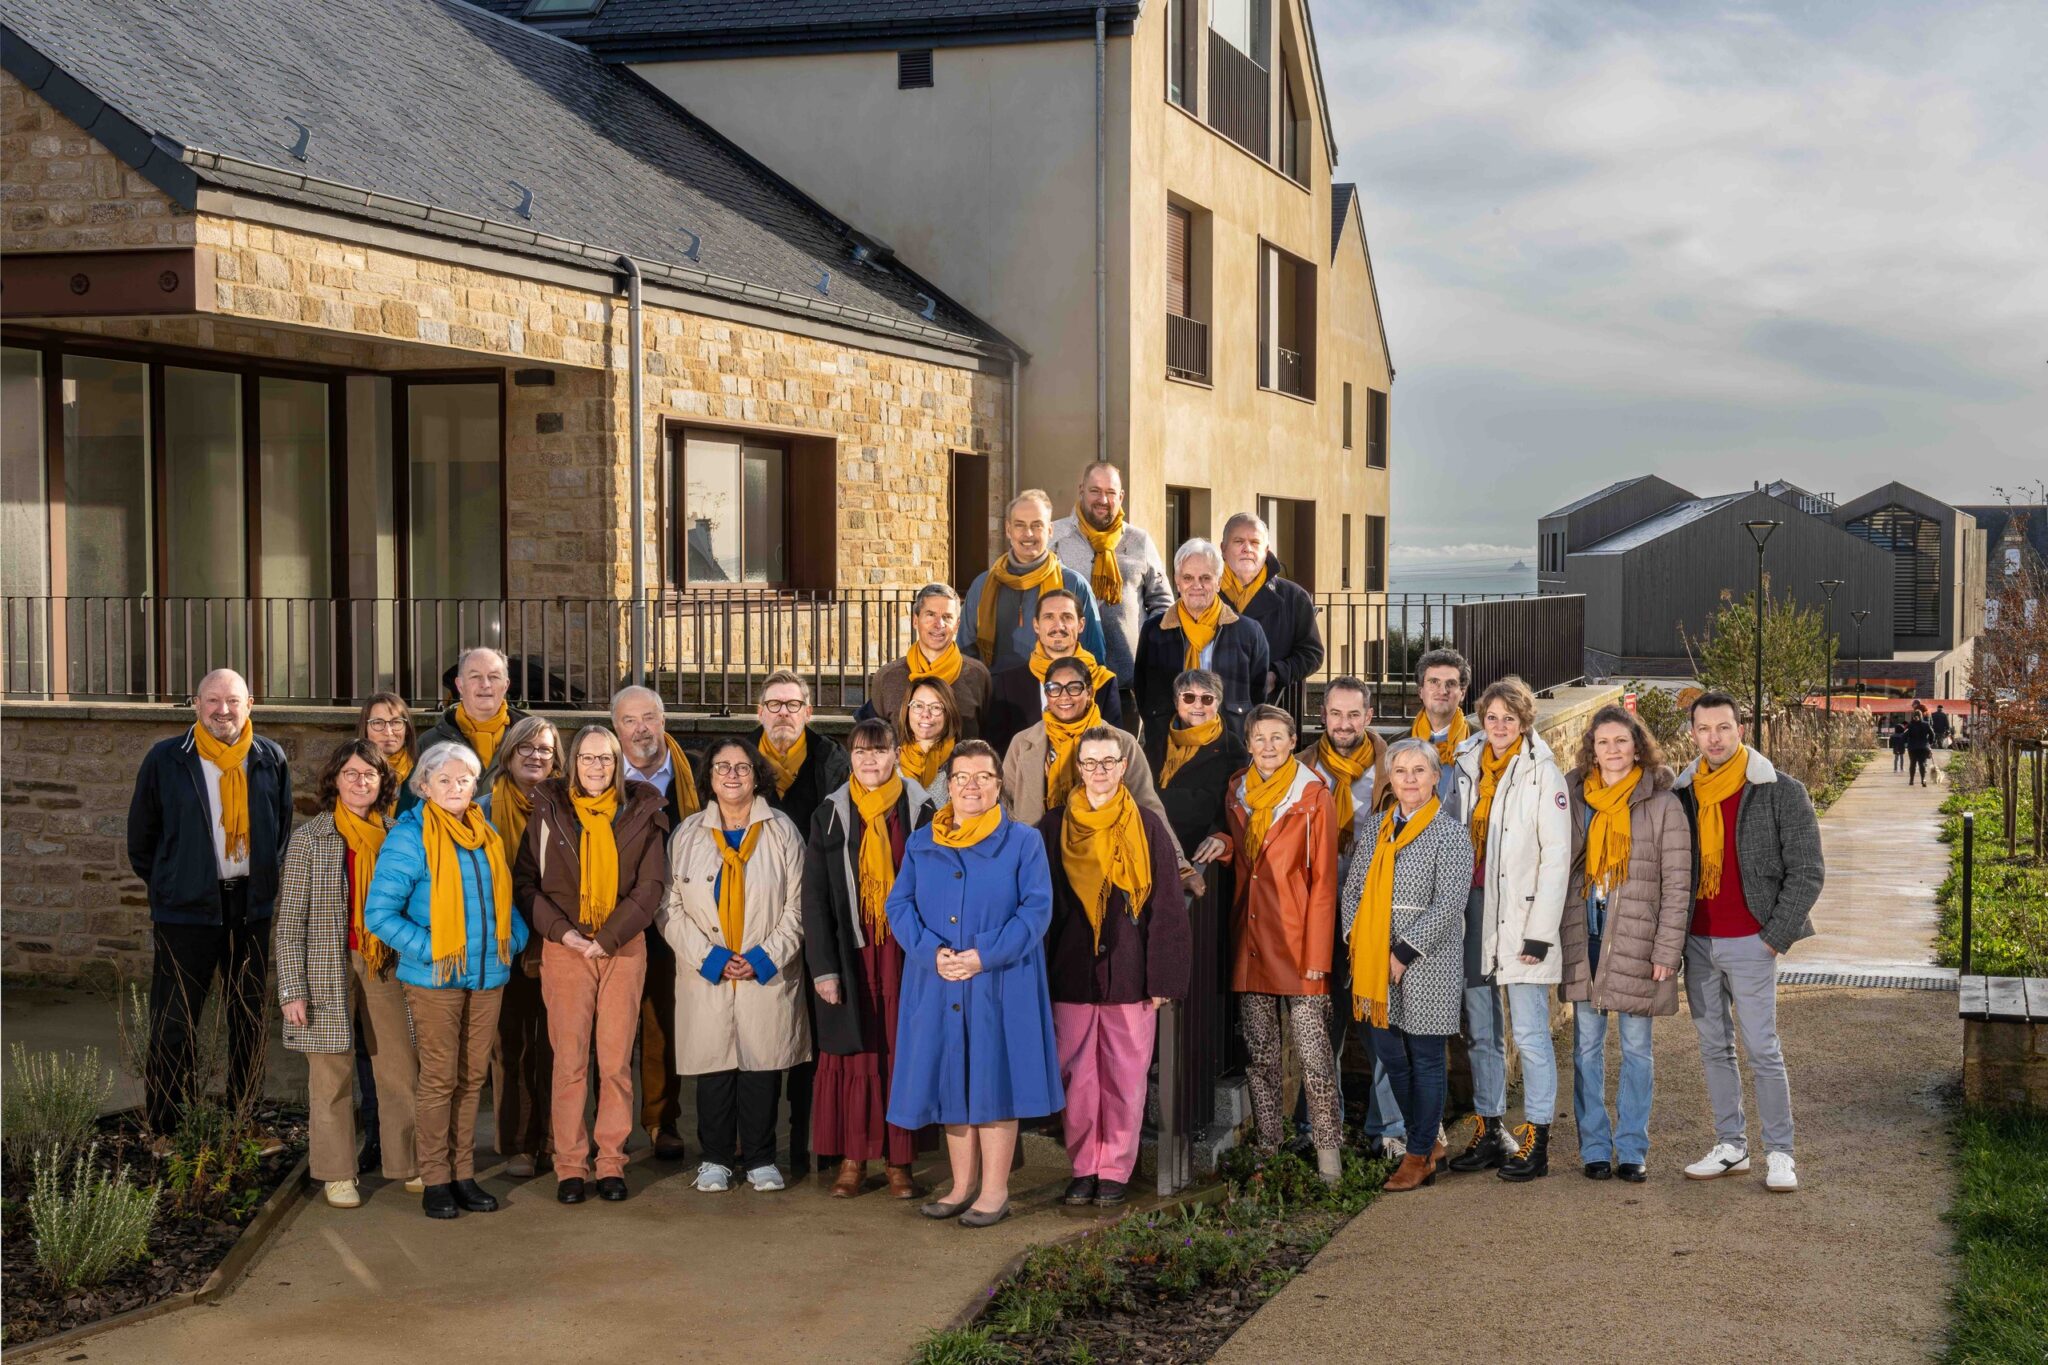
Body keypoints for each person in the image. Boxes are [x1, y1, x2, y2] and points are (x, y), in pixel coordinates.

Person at [885, 741, 1063, 1228]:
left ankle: (995, 1191)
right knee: (952, 1080)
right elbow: (899, 907)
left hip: (1000, 982)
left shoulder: (1023, 841)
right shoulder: (923, 842)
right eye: (961, 776)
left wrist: (984, 955)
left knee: (994, 1080)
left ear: (998, 785)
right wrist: (931, 953)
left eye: (983, 777)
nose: (971, 785)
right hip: (938, 980)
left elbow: (1036, 909)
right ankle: (961, 1186)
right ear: (948, 784)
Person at [126, 668, 293, 1146]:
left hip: (249, 908)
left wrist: (261, 885)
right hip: (185, 911)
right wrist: (173, 885)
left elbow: (278, 832)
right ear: (196, 704)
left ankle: (245, 1120)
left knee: (248, 1020)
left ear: (250, 703)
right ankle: (167, 1127)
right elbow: (142, 841)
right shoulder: (166, 759)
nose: (224, 710)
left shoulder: (269, 758)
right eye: (213, 700)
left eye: (233, 701)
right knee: (174, 1021)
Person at [363, 741, 529, 1220]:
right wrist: (435, 949)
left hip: (487, 976)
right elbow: (379, 914)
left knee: (472, 1079)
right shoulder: (409, 837)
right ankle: (435, 1177)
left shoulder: (487, 833)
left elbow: (505, 900)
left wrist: (513, 938)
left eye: (464, 780)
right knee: (439, 1080)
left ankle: (464, 1174)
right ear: (424, 786)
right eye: (445, 780)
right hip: (436, 980)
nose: (456, 788)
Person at [513, 725, 671, 1205]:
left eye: (606, 759)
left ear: (618, 763)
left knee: (616, 1061)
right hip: (565, 948)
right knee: (570, 1061)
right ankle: (570, 1166)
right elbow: (525, 883)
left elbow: (652, 887)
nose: (597, 767)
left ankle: (610, 1162)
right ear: (573, 763)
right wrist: (562, 933)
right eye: (587, 758)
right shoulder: (548, 809)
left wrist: (607, 938)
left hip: (621, 947)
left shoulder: (644, 811)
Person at [1673, 691, 1823, 1193]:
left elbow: (1807, 873)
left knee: (1762, 1049)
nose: (1713, 738)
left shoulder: (1780, 790)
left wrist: (1773, 939)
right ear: (1692, 733)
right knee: (1715, 1048)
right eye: (1703, 729)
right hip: (1698, 944)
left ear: (1741, 729)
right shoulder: (1682, 793)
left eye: (1723, 727)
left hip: (1752, 943)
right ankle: (1730, 1146)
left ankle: (1780, 1153)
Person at [1039, 727, 1190, 1207]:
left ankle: (1115, 1169)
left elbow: (1167, 905)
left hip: (1129, 972)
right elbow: (1038, 906)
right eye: (1090, 762)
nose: (1099, 771)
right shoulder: (1052, 826)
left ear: (1124, 767)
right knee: (1077, 1078)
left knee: (1125, 1076)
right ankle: (1084, 1167)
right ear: (1077, 768)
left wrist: (1164, 977)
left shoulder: (1147, 826)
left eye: (1108, 762)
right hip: (1071, 971)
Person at [274, 740, 420, 1208]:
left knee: (399, 1068)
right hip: (325, 968)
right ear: (335, 780)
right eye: (351, 774)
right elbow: (290, 920)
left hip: (385, 963)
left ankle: (410, 1163)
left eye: (370, 775)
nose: (361, 782)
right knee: (331, 1073)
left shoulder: (399, 834)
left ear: (383, 783)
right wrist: (291, 989)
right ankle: (338, 1172)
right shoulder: (309, 838)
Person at [661, 738, 810, 1194]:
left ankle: (763, 1157)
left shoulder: (783, 831)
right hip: (708, 969)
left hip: (764, 967)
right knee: (714, 1069)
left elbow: (799, 904)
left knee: (762, 1066)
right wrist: (712, 959)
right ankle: (715, 1159)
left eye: (742, 767)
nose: (731, 775)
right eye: (721, 767)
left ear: (756, 775)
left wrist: (765, 956)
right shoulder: (686, 834)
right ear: (708, 777)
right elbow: (668, 907)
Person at [801, 718, 939, 1199]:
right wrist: (823, 968)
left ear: (895, 755)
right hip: (852, 950)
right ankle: (852, 1159)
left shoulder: (923, 811)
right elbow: (814, 898)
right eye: (860, 752)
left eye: (878, 751)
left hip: (905, 953)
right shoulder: (830, 815)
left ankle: (900, 1161)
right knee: (856, 1052)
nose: (869, 760)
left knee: (901, 1050)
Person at [1560, 706, 1691, 1183]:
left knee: (1637, 1050)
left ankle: (1632, 1147)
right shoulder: (1577, 798)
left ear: (1637, 745)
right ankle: (1594, 1146)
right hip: (1586, 934)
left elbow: (1678, 884)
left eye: (1621, 741)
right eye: (1603, 742)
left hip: (1637, 940)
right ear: (1591, 749)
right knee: (1585, 1049)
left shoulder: (1662, 803)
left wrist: (1666, 951)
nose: (1612, 750)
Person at [1445, 676, 1568, 1181]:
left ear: (1524, 722)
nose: (1498, 727)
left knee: (1532, 1035)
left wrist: (1539, 932)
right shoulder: (1463, 761)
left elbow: (1556, 859)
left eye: (1508, 719)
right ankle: (1491, 1127)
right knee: (1482, 1029)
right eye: (1491, 717)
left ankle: (1536, 1139)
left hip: (1520, 921)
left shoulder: (1543, 773)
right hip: (1473, 911)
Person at [1338, 738, 1474, 1193]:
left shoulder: (1451, 834)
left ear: (1437, 777)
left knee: (1426, 1059)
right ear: (1390, 779)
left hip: (1428, 961)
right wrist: (1359, 944)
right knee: (1391, 1055)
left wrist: (1403, 953)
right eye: (1401, 771)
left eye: (1420, 771)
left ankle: (1418, 1155)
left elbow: (1449, 903)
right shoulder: (1376, 826)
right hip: (1374, 959)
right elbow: (1354, 892)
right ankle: (1425, 1141)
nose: (1410, 780)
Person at [1227, 705, 1343, 1183]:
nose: (1269, 746)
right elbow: (1242, 858)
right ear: (1249, 743)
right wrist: (1220, 837)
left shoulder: (1313, 795)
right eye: (1260, 738)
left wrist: (1318, 955)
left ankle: (1329, 1157)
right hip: (1250, 940)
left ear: (1293, 741)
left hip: (1298, 946)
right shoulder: (1236, 789)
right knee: (1261, 1057)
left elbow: (1324, 882)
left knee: (1315, 1057)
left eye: (1278, 737)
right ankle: (1269, 1150)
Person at [750, 669, 849, 1174]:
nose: (783, 713)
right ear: (759, 712)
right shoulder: (738, 761)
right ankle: (757, 1147)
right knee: (767, 1038)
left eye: (793, 704)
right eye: (774, 704)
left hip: (816, 917)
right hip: (755, 921)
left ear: (809, 712)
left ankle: (812, 1147)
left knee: (813, 1040)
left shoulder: (832, 761)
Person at [1300, 676, 1402, 1161]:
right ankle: (1323, 1129)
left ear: (1369, 715)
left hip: (1373, 918)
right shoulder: (1302, 768)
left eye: (1353, 714)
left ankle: (1388, 1130)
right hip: (1317, 917)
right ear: (1324, 716)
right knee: (1325, 1026)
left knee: (1380, 1026)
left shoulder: (1392, 767)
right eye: (1336, 714)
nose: (1344, 724)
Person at [610, 685, 699, 1160]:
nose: (641, 728)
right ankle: (613, 1124)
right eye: (629, 720)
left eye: (650, 717)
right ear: (615, 728)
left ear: (663, 721)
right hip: (615, 914)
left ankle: (662, 1120)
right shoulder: (597, 773)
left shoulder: (694, 774)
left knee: (663, 1020)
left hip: (674, 915)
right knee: (614, 1027)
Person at [479, 715, 562, 1180]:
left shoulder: (566, 808)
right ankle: (517, 1145)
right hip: (503, 944)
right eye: (525, 748)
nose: (535, 756)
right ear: (508, 754)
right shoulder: (483, 809)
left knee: (556, 1047)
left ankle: (553, 1139)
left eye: (545, 750)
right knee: (510, 1047)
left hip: (556, 941)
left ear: (556, 760)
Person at [999, 655, 1178, 848]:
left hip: (1103, 855)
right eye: (1054, 688)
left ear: (1090, 692)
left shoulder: (1123, 742)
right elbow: (1005, 804)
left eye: (1074, 688)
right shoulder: (1022, 743)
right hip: (1038, 853)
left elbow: (1149, 807)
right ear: (1047, 694)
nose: (1064, 696)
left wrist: (1181, 865)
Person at [1050, 461, 1174, 722]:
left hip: (1126, 684)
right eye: (1095, 491)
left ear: (1121, 496)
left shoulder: (1139, 541)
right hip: (1067, 683)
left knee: (1121, 759)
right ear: (1081, 490)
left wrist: (1149, 647)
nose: (1102, 499)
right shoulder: (1055, 536)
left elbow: (1162, 600)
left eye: (1110, 492)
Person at [1135, 539, 1272, 740]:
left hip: (1229, 746)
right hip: (1168, 745)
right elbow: (1143, 691)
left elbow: (1257, 693)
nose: (1196, 585)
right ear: (1178, 582)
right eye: (1188, 578)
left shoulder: (1248, 632)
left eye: (1205, 578)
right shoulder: (1154, 631)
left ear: (1218, 582)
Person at [959, 489, 1108, 673]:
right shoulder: (982, 585)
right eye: (1020, 525)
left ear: (1050, 530)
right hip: (994, 698)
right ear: (1008, 529)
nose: (1028, 533)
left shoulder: (1073, 584)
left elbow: (1094, 658)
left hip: (1054, 696)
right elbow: (965, 656)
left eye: (1037, 525)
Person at [983, 587, 1124, 757]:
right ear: (1036, 625)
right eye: (1049, 617)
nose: (1058, 626)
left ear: (1081, 625)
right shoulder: (1007, 682)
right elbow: (998, 753)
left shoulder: (1103, 681)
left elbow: (1116, 747)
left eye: (1067, 617)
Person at [1144, 668, 1248, 890]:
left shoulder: (1232, 747)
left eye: (1207, 698)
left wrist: (1152, 799)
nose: (1198, 705)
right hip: (1149, 841)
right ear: (1176, 701)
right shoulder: (1157, 739)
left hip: (1195, 849)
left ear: (1218, 703)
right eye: (1189, 697)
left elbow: (1211, 804)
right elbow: (1138, 786)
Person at [1218, 513, 1323, 715]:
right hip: (1214, 712)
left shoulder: (1294, 596)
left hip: (1273, 711)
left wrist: (1276, 674)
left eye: (1255, 542)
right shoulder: (1206, 593)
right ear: (1223, 548)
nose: (1246, 548)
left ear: (1266, 551)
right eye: (1238, 541)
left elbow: (1312, 654)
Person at [863, 584, 993, 740]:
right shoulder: (887, 677)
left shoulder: (978, 675)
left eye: (947, 617)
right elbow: (877, 741)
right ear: (915, 621)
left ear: (957, 625)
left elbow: (988, 737)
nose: (939, 624)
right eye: (930, 615)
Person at [420, 647, 530, 769]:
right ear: (460, 685)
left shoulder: (531, 737)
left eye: (494, 677)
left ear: (505, 685)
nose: (485, 684)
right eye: (475, 676)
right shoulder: (429, 743)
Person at [1411, 648, 1471, 811]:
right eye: (1434, 682)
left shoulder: (1481, 741)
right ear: (1420, 691)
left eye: (1450, 684)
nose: (1442, 691)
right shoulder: (1397, 744)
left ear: (1462, 693)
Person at [894, 678, 961, 795]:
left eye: (936, 707)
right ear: (907, 710)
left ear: (949, 713)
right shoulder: (890, 760)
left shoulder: (961, 763)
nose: (925, 714)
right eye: (918, 705)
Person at [359, 691, 421, 818]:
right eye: (377, 722)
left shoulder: (424, 775)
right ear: (365, 728)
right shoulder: (348, 773)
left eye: (396, 722)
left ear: (407, 728)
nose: (388, 732)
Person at [1903, 705, 1935, 786]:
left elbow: (1904, 735)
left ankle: (1911, 780)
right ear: (1921, 716)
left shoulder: (1910, 725)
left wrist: (1906, 743)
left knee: (1912, 764)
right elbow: (1932, 734)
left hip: (1912, 748)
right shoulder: (1926, 724)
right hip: (1923, 747)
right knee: (1922, 764)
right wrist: (1930, 742)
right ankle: (1923, 780)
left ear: (1913, 716)